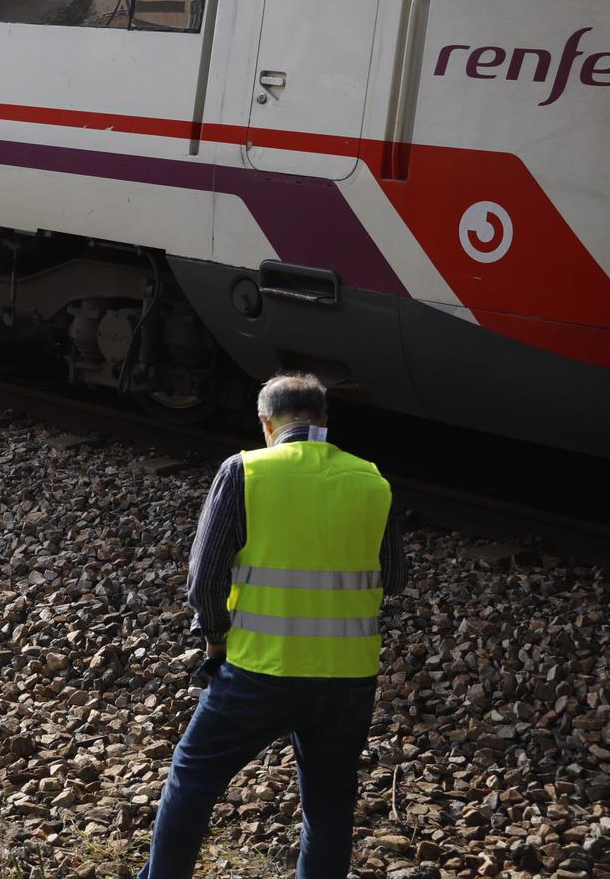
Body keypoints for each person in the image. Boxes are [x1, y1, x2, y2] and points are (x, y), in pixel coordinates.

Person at [136, 373, 405, 879]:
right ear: (325, 421)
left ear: (266, 423)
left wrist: (216, 640)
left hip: (258, 670)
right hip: (347, 678)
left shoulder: (245, 472)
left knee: (192, 779)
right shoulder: (372, 479)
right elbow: (394, 578)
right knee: (328, 806)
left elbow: (205, 581)